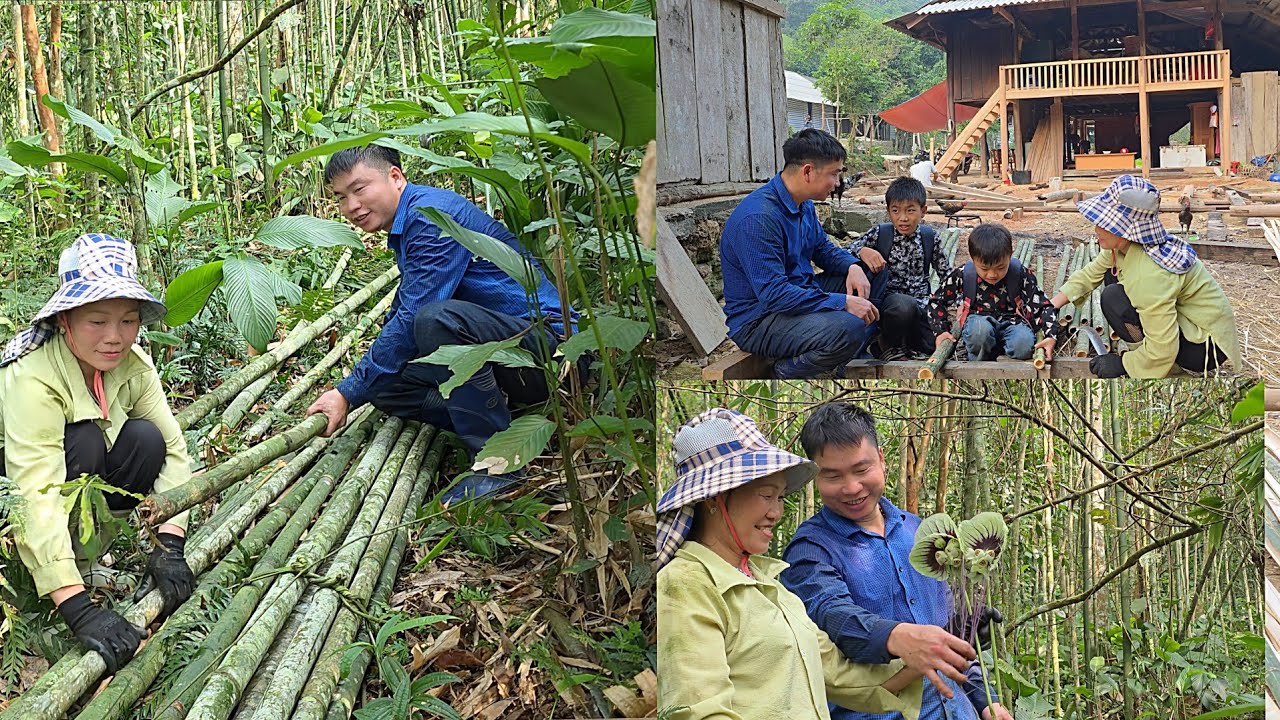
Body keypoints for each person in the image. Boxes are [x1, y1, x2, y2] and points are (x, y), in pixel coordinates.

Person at [305, 145, 574, 501]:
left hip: (551, 350)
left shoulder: (431, 216)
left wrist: (345, 392)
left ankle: (499, 465)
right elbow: (404, 310)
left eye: (359, 188)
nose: (351, 206)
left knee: (434, 321)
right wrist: (355, 387)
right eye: (341, 197)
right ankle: (501, 417)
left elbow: (417, 313)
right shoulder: (412, 219)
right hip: (505, 350)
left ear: (395, 177)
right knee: (383, 384)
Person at [657, 408, 946, 720]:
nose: (775, 512)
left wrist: (932, 654)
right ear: (714, 500)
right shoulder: (686, 583)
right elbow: (698, 711)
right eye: (766, 495)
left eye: (780, 497)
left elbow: (842, 678)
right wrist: (894, 636)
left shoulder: (769, 585)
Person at [0, 234, 196, 674]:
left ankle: (85, 561)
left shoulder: (134, 364)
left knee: (146, 440)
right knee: (85, 439)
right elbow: (32, 493)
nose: (115, 337)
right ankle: (49, 580)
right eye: (97, 321)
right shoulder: (32, 376)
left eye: (128, 321)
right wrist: (77, 608)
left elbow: (175, 450)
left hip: (74, 479)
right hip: (11, 494)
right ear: (65, 319)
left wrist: (170, 541)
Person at [780, 403, 1012, 720]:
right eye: (832, 476)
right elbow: (834, 615)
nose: (851, 487)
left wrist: (987, 701)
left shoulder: (921, 532)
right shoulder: (809, 550)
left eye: (861, 470)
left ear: (882, 461)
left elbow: (949, 639)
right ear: (815, 476)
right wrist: (897, 638)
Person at [719, 129, 880, 379]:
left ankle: (844, 353)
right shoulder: (758, 219)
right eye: (834, 174)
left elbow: (823, 250)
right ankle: (787, 371)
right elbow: (774, 295)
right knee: (849, 327)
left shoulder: (803, 204)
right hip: (762, 320)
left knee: (874, 272)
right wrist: (842, 302)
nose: (838, 183)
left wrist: (853, 266)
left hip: (801, 292)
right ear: (807, 171)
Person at [1049, 174, 1240, 378]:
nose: (1096, 229)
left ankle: (1149, 362)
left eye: (1105, 224)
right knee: (1111, 277)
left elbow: (1163, 347)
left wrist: (1125, 364)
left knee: (1113, 298)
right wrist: (1050, 306)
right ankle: (1145, 354)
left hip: (1204, 347)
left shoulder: (1149, 274)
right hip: (1193, 323)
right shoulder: (1124, 246)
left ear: (1128, 230)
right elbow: (1089, 274)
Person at [846, 177, 947, 359]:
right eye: (895, 211)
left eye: (910, 210)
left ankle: (908, 345)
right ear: (888, 211)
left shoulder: (930, 237)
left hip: (922, 306)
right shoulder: (880, 234)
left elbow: (946, 275)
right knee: (903, 306)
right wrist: (862, 251)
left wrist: (953, 303)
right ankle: (885, 343)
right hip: (889, 306)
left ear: (923, 211)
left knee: (934, 345)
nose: (903, 218)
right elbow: (843, 252)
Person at [928, 223, 1058, 361]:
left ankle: (1007, 359)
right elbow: (937, 302)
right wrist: (941, 331)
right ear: (972, 259)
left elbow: (1043, 306)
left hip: (1013, 321)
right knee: (980, 332)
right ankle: (980, 361)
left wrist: (1051, 335)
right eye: (984, 269)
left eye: (1000, 267)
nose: (992, 274)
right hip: (978, 321)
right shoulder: (964, 274)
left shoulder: (1019, 274)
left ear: (1010, 256)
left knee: (1023, 345)